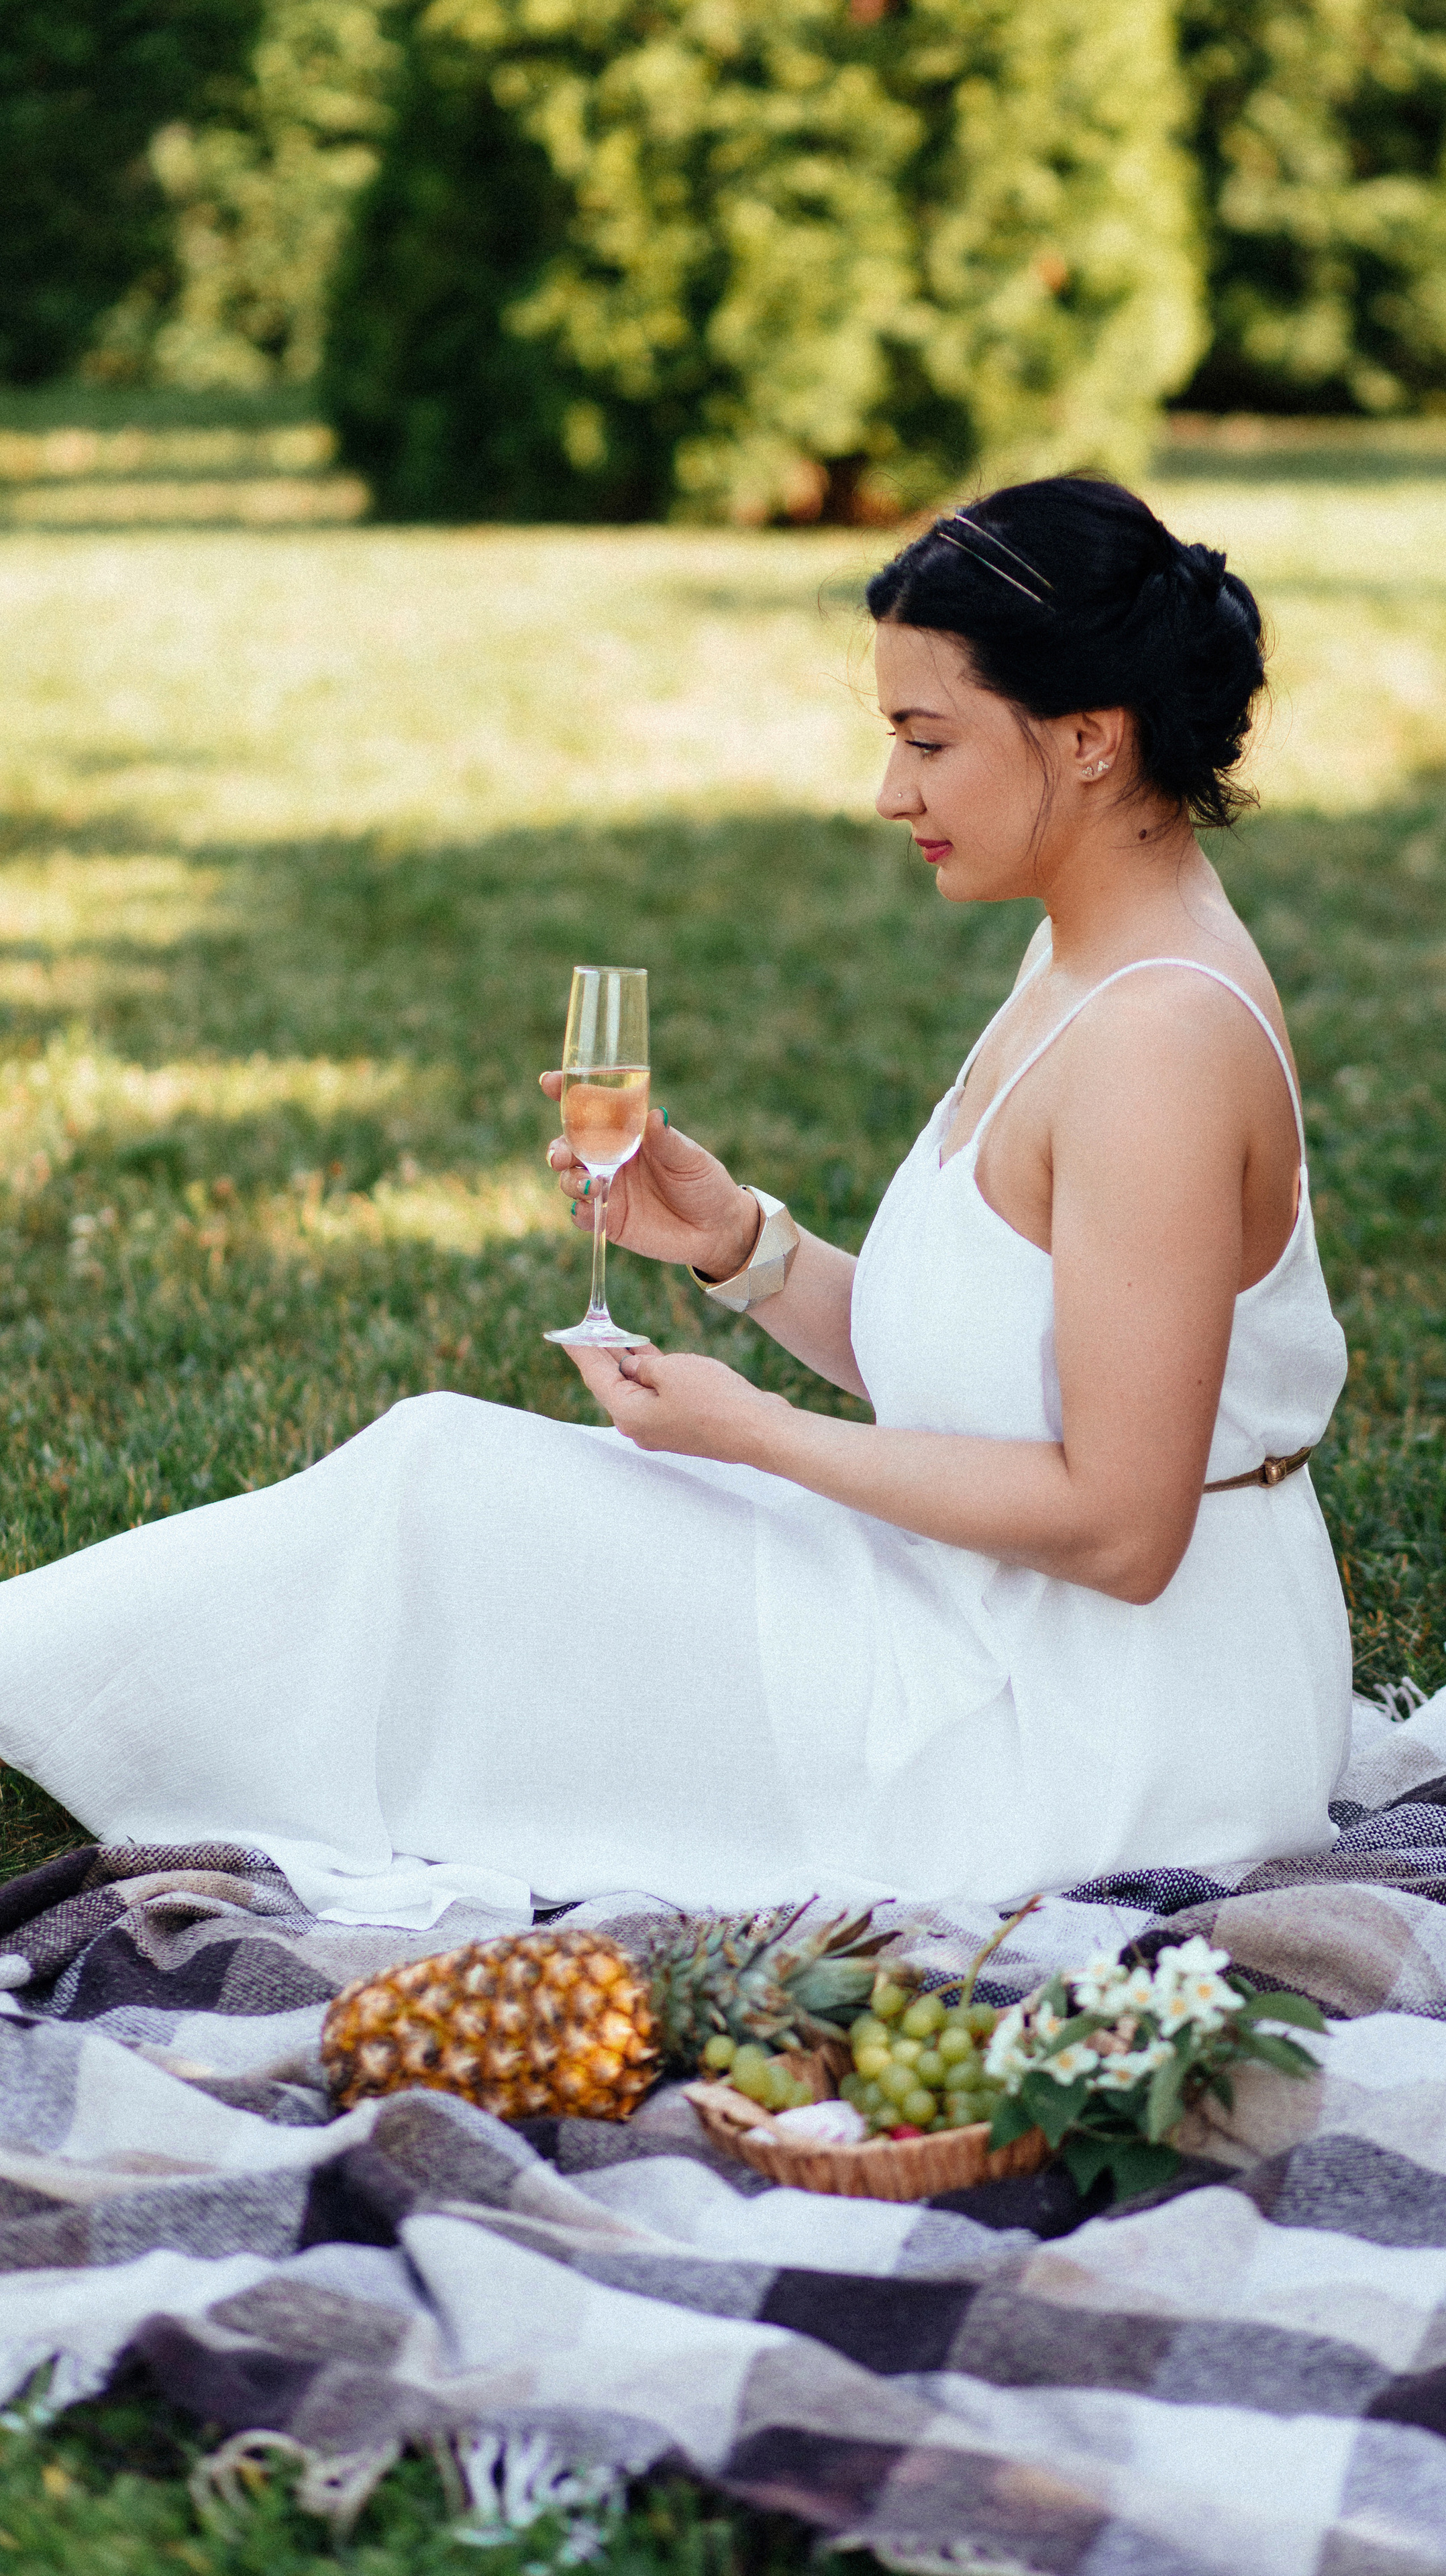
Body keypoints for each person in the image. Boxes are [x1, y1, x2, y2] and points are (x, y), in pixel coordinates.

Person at [0, 476, 1349, 1931]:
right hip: (1013, 1628)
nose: (890, 792)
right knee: (445, 1488)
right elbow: (999, 1374)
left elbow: (1120, 1528)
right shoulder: (1084, 961)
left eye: (926, 741)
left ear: (1090, 740)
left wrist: (756, 1439)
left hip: (1099, 1734)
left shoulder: (1154, 1040)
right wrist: (742, 1249)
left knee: (443, 1499)